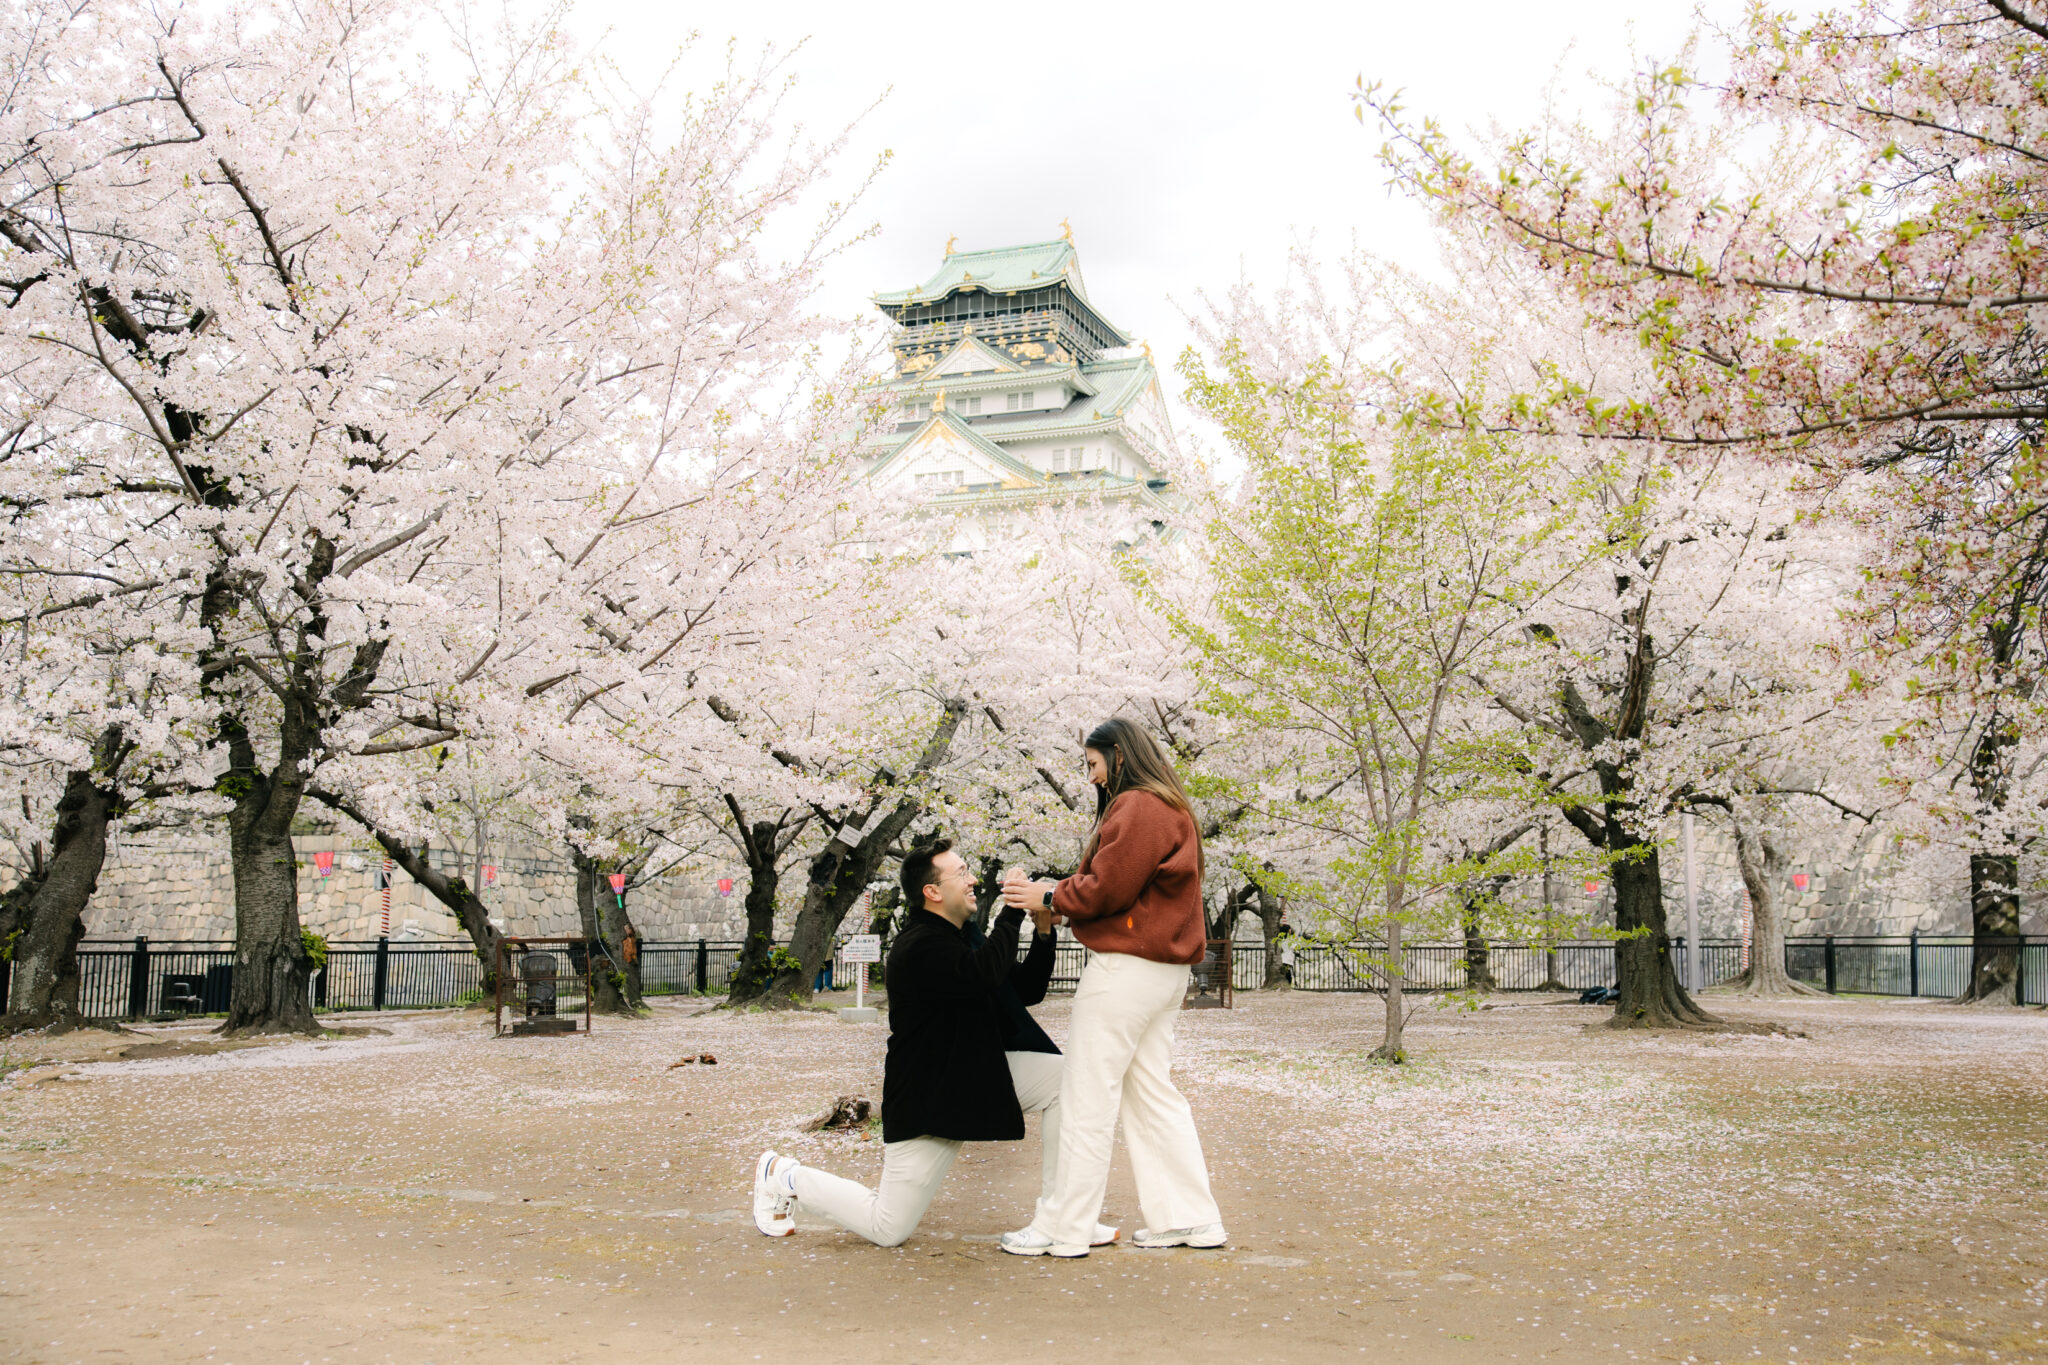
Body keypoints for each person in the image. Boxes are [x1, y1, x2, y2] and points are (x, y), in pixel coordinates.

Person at [751, 840, 1112, 1248]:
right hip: (930, 1096)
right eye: (961, 873)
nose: (974, 879)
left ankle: (1063, 1214)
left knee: (1068, 1081)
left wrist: (1043, 929)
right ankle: (782, 1175)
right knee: (888, 1227)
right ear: (932, 892)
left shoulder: (965, 935)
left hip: (976, 1073)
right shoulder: (917, 945)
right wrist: (1012, 908)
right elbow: (981, 975)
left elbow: (1024, 989)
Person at [997, 717, 1227, 1258]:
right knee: (1152, 1095)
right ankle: (1189, 1218)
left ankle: (1065, 1227)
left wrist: (1048, 896)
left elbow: (1107, 887)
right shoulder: (1168, 806)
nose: (1093, 778)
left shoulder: (1140, 805)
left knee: (1085, 1097)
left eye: (1094, 765)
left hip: (1125, 970)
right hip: (1163, 973)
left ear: (1119, 756)